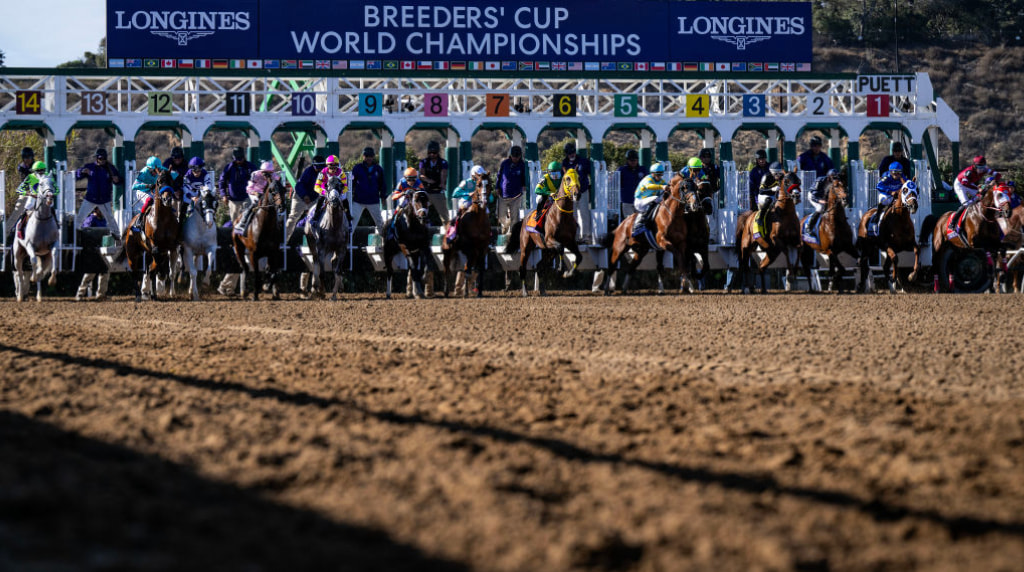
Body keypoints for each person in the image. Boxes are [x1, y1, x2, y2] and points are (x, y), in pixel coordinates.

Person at [216, 148, 256, 297]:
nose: (238, 161)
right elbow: (222, 181)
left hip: (246, 198)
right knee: (235, 225)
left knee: (248, 219)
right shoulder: (229, 167)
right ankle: (237, 238)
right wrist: (223, 195)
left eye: (240, 158)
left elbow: (257, 180)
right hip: (233, 200)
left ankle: (247, 234)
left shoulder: (250, 167)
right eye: (236, 159)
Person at [74, 148, 123, 241]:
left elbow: (119, 181)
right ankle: (75, 235)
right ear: (96, 158)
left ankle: (117, 236)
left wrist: (117, 180)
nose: (102, 160)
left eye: (104, 158)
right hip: (90, 198)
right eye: (100, 158)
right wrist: (82, 171)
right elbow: (77, 175)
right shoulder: (90, 167)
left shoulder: (110, 168)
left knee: (110, 219)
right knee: (80, 216)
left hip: (104, 200)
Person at [949, 156, 999, 241]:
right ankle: (952, 223)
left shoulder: (985, 169)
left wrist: (994, 180)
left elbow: (998, 175)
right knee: (966, 204)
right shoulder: (969, 172)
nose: (982, 169)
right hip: (960, 185)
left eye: (983, 166)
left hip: (969, 183)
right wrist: (977, 189)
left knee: (981, 196)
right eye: (980, 167)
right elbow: (965, 183)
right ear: (975, 166)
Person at [8, 161, 59, 233]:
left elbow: (57, 189)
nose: (41, 172)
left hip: (45, 198)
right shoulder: (30, 177)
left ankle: (56, 224)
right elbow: (19, 190)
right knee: (28, 206)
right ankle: (20, 225)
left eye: (42, 170)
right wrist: (29, 194)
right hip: (33, 197)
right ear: (34, 171)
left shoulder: (48, 176)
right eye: (38, 171)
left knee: (51, 206)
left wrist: (52, 193)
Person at [235, 161, 282, 235]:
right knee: (255, 203)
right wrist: (255, 193)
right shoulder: (255, 175)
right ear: (261, 171)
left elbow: (278, 184)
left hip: (266, 193)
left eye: (269, 173)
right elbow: (249, 188)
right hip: (255, 192)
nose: (266, 175)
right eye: (265, 173)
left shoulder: (274, 176)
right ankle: (242, 222)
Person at [286, 155, 324, 244]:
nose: (319, 169)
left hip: (313, 198)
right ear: (313, 166)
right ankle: (284, 240)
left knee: (319, 217)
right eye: (317, 167)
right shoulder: (308, 171)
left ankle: (318, 241)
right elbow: (300, 185)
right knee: (293, 217)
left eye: (321, 167)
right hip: (300, 197)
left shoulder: (324, 172)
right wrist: (305, 196)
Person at [307, 155, 350, 232]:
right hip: (325, 190)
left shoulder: (341, 173)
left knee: (345, 200)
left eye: (335, 167)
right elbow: (316, 187)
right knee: (320, 200)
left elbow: (346, 187)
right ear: (327, 166)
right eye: (331, 168)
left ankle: (349, 220)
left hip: (337, 191)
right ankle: (315, 218)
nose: (333, 170)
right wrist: (324, 192)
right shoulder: (322, 173)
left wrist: (340, 192)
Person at [76, 208, 110, 301]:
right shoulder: (90, 220)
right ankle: (80, 294)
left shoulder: (103, 220)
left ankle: (101, 294)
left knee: (105, 271)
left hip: (101, 250)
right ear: (96, 209)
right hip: (91, 251)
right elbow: (86, 234)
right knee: (91, 272)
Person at [350, 146, 387, 233]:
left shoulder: (378, 169)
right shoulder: (357, 168)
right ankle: (348, 240)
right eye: (367, 156)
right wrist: (349, 197)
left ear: (373, 156)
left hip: (373, 201)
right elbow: (351, 183)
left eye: (370, 156)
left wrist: (383, 197)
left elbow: (382, 184)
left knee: (380, 223)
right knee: (352, 223)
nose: (369, 158)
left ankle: (385, 240)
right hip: (358, 201)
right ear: (363, 156)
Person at [446, 165, 488, 241]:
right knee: (462, 210)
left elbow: (490, 198)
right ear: (473, 175)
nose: (480, 176)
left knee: (487, 211)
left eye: (480, 175)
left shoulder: (483, 183)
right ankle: (454, 232)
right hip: (467, 201)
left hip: (478, 202)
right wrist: (467, 194)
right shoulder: (465, 182)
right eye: (478, 175)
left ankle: (488, 233)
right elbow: (455, 193)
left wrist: (487, 196)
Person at [130, 156, 170, 233]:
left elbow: (172, 174)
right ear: (149, 169)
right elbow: (134, 187)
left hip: (153, 191)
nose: (156, 172)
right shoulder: (144, 172)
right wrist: (147, 186)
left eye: (158, 170)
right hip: (142, 191)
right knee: (149, 200)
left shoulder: (161, 170)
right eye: (154, 170)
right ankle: (139, 221)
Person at [561, 141, 592, 240]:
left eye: (573, 152)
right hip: (570, 194)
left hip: (582, 191)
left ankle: (586, 235)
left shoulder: (583, 161)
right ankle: (575, 236)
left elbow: (591, 172)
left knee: (584, 213)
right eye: (570, 153)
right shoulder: (564, 163)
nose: (572, 155)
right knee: (572, 215)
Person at [631, 162, 669, 244]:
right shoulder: (648, 179)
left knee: (660, 200)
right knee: (656, 198)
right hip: (640, 201)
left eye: (661, 174)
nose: (659, 176)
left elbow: (668, 186)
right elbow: (649, 186)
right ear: (652, 174)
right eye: (658, 174)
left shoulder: (660, 181)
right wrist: (662, 187)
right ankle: (639, 223)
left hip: (648, 201)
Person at [867, 163, 908, 235]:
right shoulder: (887, 177)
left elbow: (908, 184)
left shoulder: (902, 177)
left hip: (896, 196)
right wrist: (890, 191)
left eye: (899, 172)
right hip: (886, 194)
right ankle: (877, 216)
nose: (897, 174)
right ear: (891, 172)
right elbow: (878, 186)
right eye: (895, 172)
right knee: (884, 200)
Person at [495, 145, 527, 233]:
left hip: (516, 195)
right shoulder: (504, 163)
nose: (515, 158)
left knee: (515, 217)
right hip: (503, 194)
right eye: (514, 156)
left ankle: (512, 234)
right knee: (501, 216)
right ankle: (504, 230)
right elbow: (499, 176)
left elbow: (524, 177)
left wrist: (524, 185)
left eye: (517, 156)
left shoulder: (522, 165)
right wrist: (497, 187)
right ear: (511, 155)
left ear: (520, 156)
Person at [417, 140, 450, 223]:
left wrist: (442, 184)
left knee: (444, 215)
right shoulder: (423, 162)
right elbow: (422, 174)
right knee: (420, 212)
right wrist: (429, 180)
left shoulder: (443, 162)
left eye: (434, 153)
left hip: (437, 191)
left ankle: (448, 229)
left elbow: (443, 174)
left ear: (438, 152)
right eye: (430, 153)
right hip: (425, 191)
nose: (432, 155)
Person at [527, 161, 562, 235]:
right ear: (549, 172)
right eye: (553, 172)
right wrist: (549, 193)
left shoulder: (563, 178)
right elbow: (537, 190)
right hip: (546, 197)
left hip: (559, 198)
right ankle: (538, 215)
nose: (555, 174)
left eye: (557, 172)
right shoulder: (545, 178)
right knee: (541, 199)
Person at [753, 162, 785, 238]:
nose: (778, 176)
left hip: (774, 196)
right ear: (772, 172)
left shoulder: (782, 177)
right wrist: (771, 189)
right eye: (776, 174)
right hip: (764, 195)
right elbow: (761, 191)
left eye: (779, 173)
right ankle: (760, 218)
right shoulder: (766, 177)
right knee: (769, 200)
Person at [805, 169, 840, 236]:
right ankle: (809, 226)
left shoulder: (833, 183)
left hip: (822, 196)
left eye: (836, 177)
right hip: (813, 195)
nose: (835, 179)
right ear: (829, 176)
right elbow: (814, 194)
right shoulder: (820, 180)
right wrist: (819, 201)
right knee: (820, 207)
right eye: (834, 177)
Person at [617, 149, 647, 218]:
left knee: (641, 220)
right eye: (631, 160)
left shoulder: (643, 170)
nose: (633, 162)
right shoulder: (622, 170)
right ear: (627, 160)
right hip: (627, 201)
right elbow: (615, 184)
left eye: (635, 160)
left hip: (640, 200)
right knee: (630, 220)